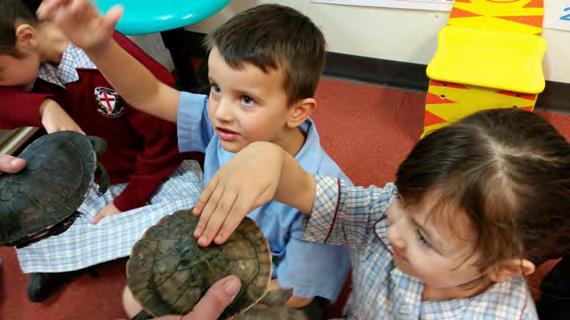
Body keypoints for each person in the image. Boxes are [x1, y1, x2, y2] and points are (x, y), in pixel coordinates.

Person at [39, 0, 352, 311]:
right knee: (135, 299)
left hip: (275, 286)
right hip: (221, 252)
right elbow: (150, 93)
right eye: (216, 88)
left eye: (246, 99)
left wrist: (208, 300)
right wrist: (99, 47)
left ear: (298, 111)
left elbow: (296, 292)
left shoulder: (324, 195)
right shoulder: (228, 127)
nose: (221, 112)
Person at [192, 108, 570, 319]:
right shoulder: (381, 217)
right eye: (401, 200)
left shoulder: (505, 316)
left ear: (503, 267)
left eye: (423, 238)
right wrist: (269, 157)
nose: (393, 234)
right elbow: (308, 191)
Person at [0, 0, 203, 302]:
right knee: (20, 219)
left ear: (27, 37)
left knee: (191, 215)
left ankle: (100, 247)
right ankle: (74, 256)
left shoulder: (107, 64)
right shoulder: (30, 65)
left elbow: (165, 144)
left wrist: (126, 202)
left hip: (150, 171)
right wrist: (44, 106)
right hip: (91, 173)